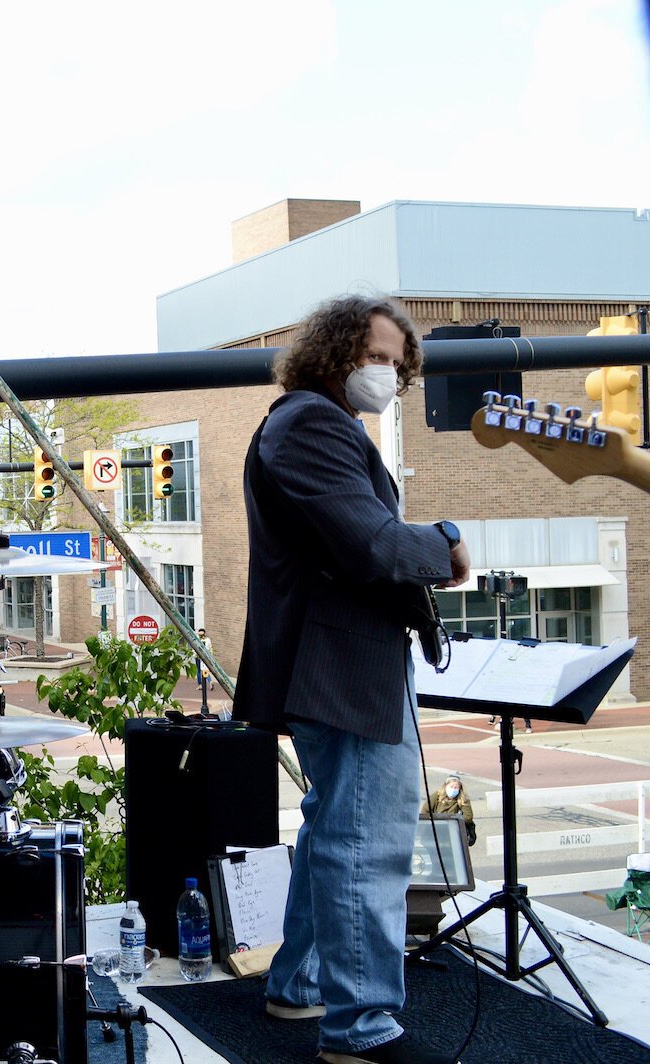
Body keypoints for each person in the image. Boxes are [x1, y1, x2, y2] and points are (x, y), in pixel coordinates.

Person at [237, 295, 470, 1064]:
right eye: (376, 356)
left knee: (336, 828)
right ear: (333, 352)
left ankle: (299, 986)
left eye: (398, 363)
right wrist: (445, 542)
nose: (389, 373)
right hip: (340, 667)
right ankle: (362, 1030)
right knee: (366, 842)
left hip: (337, 663)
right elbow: (370, 545)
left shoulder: (317, 424)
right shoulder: (309, 422)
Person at [422, 773, 477, 846]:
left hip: (453, 831)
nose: (453, 790)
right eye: (451, 787)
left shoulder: (463, 799)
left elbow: (468, 816)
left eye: (456, 787)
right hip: (436, 830)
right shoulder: (437, 796)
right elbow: (425, 810)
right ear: (446, 786)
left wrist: (454, 820)